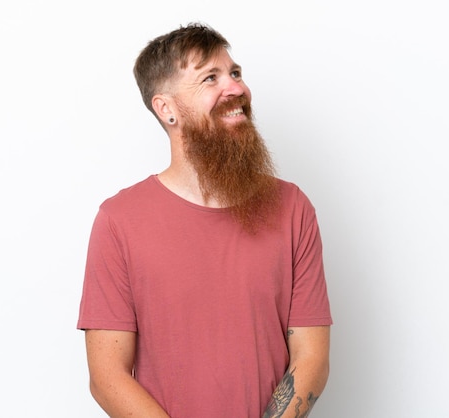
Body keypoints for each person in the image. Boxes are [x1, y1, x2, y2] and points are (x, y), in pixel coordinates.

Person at [77, 22, 332, 418]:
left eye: (235, 73)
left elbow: (311, 357)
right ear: (166, 108)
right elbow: (107, 377)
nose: (235, 88)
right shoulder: (118, 221)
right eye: (210, 78)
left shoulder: (292, 208)